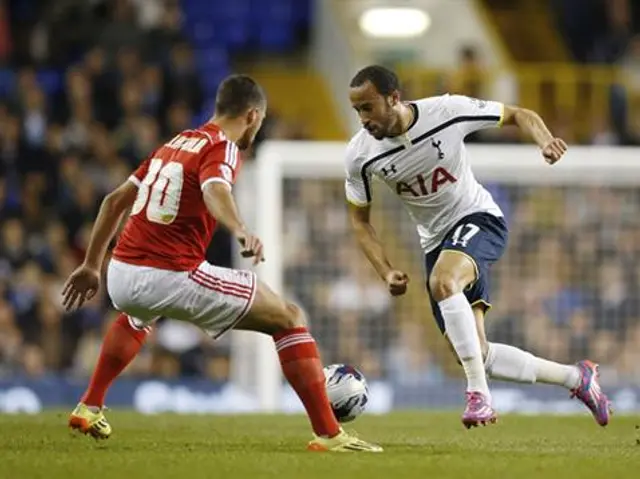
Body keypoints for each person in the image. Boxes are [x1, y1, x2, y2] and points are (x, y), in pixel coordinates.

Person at [62, 74, 381, 452]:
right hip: (171, 273)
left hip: (121, 275)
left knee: (137, 315)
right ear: (252, 115)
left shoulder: (175, 143)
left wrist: (91, 265)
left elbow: (114, 201)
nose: (256, 132)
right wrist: (240, 228)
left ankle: (89, 405)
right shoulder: (223, 146)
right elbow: (215, 190)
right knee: (289, 316)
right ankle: (330, 435)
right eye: (259, 123)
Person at [343, 65, 611, 429]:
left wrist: (545, 140)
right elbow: (360, 222)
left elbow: (519, 114)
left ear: (394, 98)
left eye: (368, 108)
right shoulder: (360, 154)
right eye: (357, 110)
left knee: (443, 282)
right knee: (474, 353)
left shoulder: (446, 111)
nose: (363, 119)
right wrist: (385, 269)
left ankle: (479, 396)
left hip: (479, 218)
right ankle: (577, 379)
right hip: (436, 242)